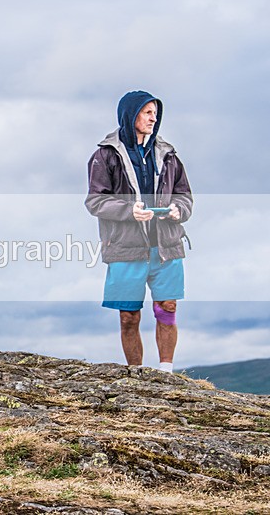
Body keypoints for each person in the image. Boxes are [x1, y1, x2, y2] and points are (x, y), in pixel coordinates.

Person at [85, 91, 193, 373]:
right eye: (146, 112)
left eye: (155, 112)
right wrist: (129, 211)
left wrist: (178, 210)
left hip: (166, 246)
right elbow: (95, 201)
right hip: (125, 248)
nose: (153, 117)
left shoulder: (168, 155)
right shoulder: (104, 156)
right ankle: (137, 374)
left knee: (167, 308)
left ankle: (166, 372)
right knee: (129, 317)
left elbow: (185, 196)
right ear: (130, 115)